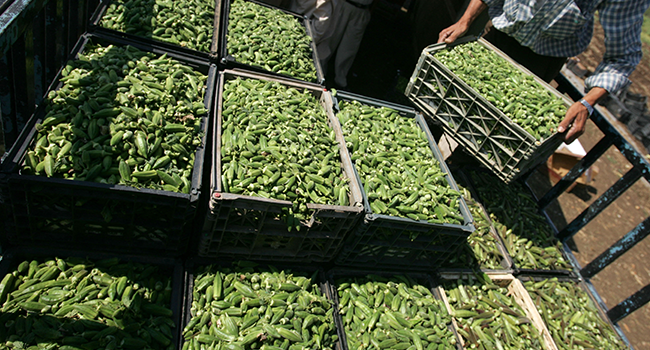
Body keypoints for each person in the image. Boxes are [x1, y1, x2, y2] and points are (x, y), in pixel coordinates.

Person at [437, 0, 650, 144]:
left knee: (491, 136)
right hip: (497, 39)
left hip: (540, 63)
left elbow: (623, 57)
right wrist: (465, 21)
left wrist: (587, 103)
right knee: (446, 107)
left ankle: (461, 173)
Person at [318, 0, 374, 89]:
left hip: (362, 9)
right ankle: (320, 72)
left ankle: (340, 81)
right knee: (330, 39)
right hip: (344, 3)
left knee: (349, 48)